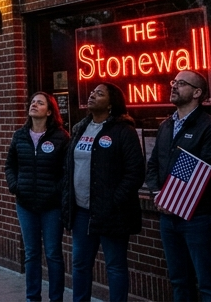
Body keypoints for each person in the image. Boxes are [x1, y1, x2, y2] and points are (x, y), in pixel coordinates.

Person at [145, 71, 211, 302]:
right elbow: (153, 166)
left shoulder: (209, 127)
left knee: (208, 281)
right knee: (179, 279)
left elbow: (206, 169)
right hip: (168, 217)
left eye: (181, 83)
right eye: (174, 82)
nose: (174, 86)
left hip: (199, 217)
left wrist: (173, 200)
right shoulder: (166, 126)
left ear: (197, 92)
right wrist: (158, 193)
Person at [65, 82, 144, 302]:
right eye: (92, 92)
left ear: (111, 104)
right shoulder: (81, 128)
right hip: (82, 211)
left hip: (113, 212)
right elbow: (70, 166)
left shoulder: (123, 131)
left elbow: (135, 172)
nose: (92, 95)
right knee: (80, 264)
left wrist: (114, 200)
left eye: (99, 94)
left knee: (115, 266)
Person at [5, 92, 71, 302]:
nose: (34, 105)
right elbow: (10, 166)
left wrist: (55, 190)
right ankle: (32, 297)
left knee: (53, 254)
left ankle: (56, 298)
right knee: (31, 253)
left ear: (49, 111)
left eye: (40, 103)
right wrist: (16, 186)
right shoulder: (20, 136)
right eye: (33, 102)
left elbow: (67, 171)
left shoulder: (61, 137)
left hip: (51, 206)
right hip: (25, 204)